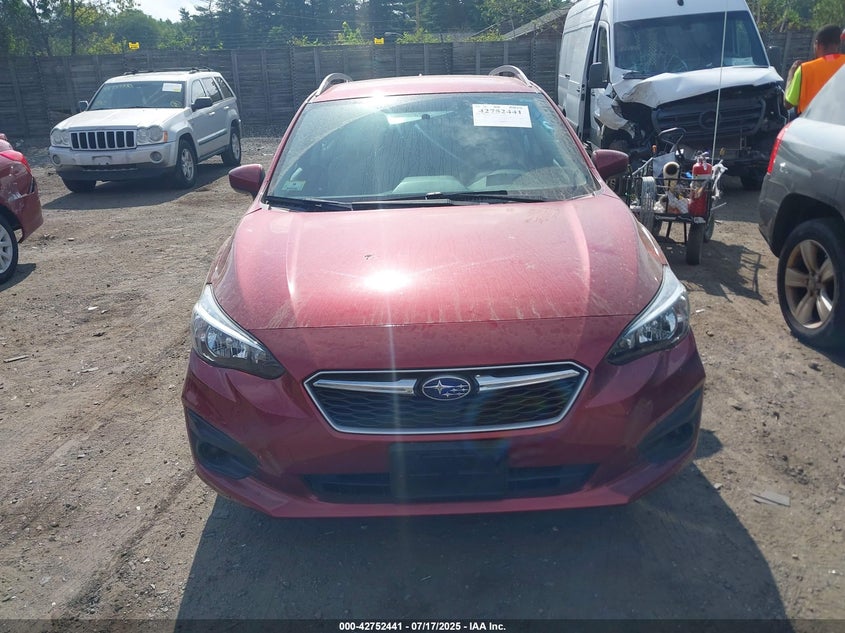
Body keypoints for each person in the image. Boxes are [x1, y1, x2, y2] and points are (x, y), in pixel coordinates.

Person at [784, 24, 845, 115]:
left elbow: (788, 103)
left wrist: (791, 75)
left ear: (818, 44)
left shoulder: (805, 69)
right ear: (838, 44)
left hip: (811, 121)